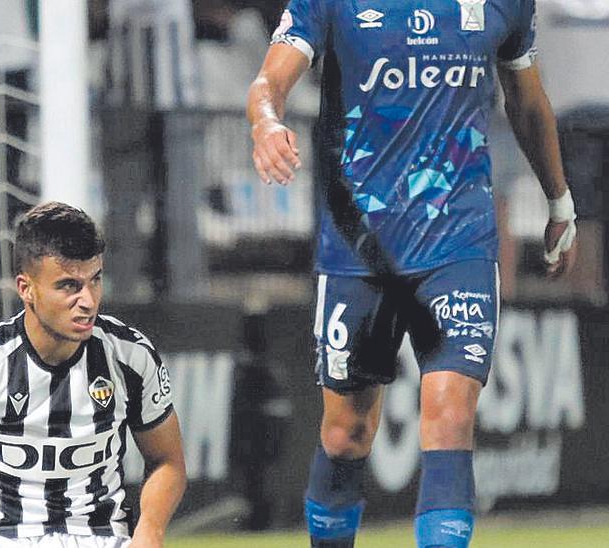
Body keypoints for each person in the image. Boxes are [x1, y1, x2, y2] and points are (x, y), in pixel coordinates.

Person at [247, 1, 578, 546]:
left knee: (449, 417)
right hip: (359, 248)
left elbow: (526, 100)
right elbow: (269, 80)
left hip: (459, 240)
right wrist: (266, 122)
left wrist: (559, 200)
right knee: (346, 432)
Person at [0, 202, 187, 547]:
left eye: (95, 280)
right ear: (25, 288)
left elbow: (168, 461)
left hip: (103, 539)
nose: (88, 300)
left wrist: (150, 530)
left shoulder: (130, 357)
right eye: (68, 286)